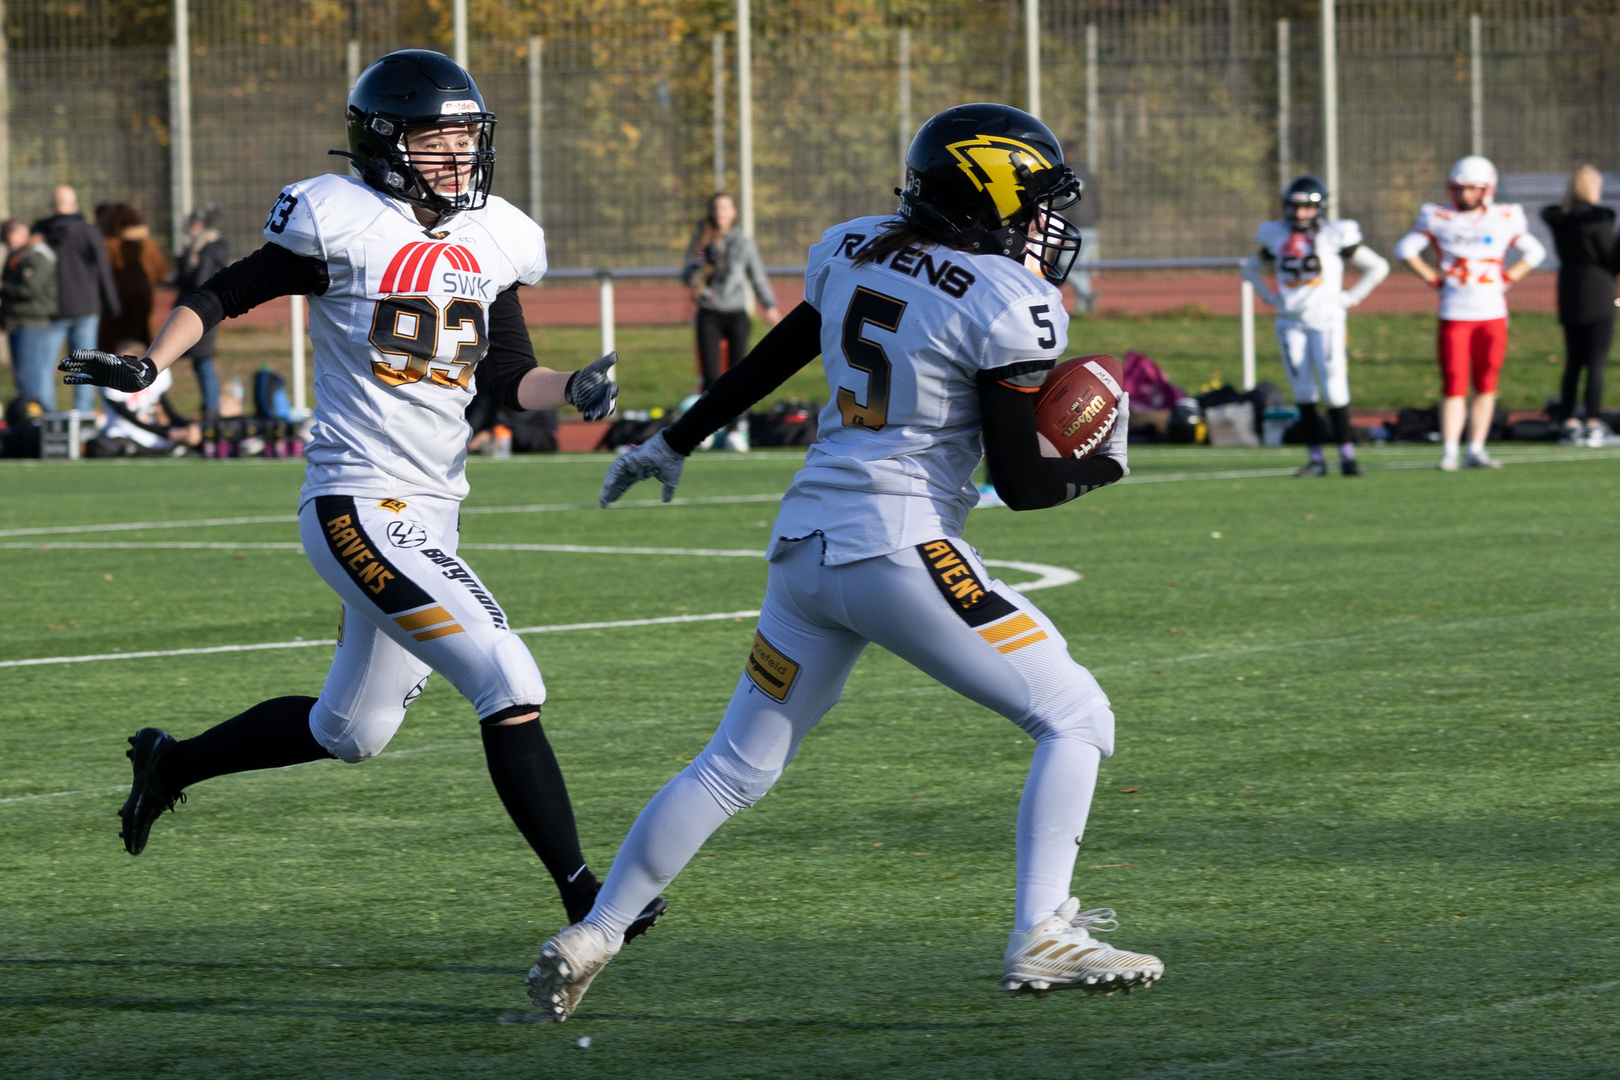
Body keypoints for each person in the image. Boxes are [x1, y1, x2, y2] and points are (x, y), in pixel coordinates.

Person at [526, 103, 1162, 1022]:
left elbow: (781, 352)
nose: (1045, 224)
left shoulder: (855, 245)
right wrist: (1099, 465)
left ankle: (598, 929)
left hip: (806, 551)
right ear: (988, 195)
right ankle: (1042, 932)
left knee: (733, 765)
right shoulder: (1009, 300)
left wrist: (676, 439)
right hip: (900, 548)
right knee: (1076, 716)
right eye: (1035, 201)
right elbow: (1022, 485)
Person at [60, 50, 663, 945]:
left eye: (467, 136)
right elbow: (227, 290)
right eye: (439, 136)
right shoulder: (342, 223)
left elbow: (506, 374)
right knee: (508, 677)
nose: (459, 154)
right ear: (387, 143)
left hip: (433, 507)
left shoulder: (495, 235)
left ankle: (170, 762)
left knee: (353, 729)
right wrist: (154, 361)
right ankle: (588, 894)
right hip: (357, 502)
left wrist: (572, 385)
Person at [1393, 156, 1546, 470]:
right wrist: (1433, 278)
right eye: (1459, 189)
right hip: (1455, 311)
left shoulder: (1505, 216)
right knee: (1454, 383)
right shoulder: (1438, 216)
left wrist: (1507, 278)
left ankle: (1476, 447)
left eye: (1471, 189)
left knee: (1487, 383)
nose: (1464, 196)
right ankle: (1449, 449)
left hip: (1492, 312)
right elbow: (1405, 249)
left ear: (1486, 189)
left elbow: (1535, 251)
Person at [1242, 175, 1389, 476]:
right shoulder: (1276, 235)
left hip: (1327, 319)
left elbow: (1378, 266)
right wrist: (1270, 296)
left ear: (1319, 208)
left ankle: (1347, 456)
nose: (1299, 215)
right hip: (1290, 322)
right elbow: (1251, 268)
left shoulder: (1335, 234)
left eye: (1306, 209)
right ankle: (1316, 459)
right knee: (1303, 392)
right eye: (1294, 208)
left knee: (1335, 388)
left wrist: (1351, 297)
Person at [681, 193, 780, 451]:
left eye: (725, 208)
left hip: (736, 313)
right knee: (711, 375)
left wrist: (769, 306)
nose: (721, 213)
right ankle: (707, 428)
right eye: (716, 208)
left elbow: (757, 276)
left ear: (733, 212)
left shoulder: (744, 243)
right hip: (709, 312)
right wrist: (703, 264)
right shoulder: (701, 240)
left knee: (738, 374)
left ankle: (736, 429)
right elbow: (686, 276)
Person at [1541, 165, 1619, 447]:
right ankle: (1594, 421)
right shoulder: (1600, 220)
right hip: (1598, 290)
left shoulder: (1561, 218)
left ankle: (1569, 419)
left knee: (1574, 361)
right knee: (1595, 361)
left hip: (1570, 290)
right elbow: (1610, 258)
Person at [35, 184, 121, 413]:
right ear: (74, 205)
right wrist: (114, 305)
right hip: (86, 307)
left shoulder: (40, 232)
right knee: (84, 366)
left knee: (44, 367)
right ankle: (83, 417)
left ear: (52, 207)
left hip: (52, 309)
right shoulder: (88, 231)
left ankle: (46, 418)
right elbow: (103, 268)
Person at [172, 205, 231, 415]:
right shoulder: (197, 248)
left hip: (203, 310)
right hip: (201, 309)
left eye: (193, 222)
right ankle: (210, 407)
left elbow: (200, 281)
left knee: (203, 360)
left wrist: (181, 278)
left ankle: (211, 410)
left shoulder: (206, 250)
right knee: (201, 362)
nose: (189, 227)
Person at [1, 219, 58, 410]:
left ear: (20, 234)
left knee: (30, 379)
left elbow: (30, 289)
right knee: (24, 378)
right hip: (18, 322)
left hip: (31, 323)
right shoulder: (18, 256)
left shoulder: (37, 256)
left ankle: (35, 421)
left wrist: (3, 288)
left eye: (8, 238)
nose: (8, 245)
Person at [97, 204, 169, 355]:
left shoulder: (108, 244)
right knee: (142, 354)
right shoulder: (150, 244)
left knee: (111, 356)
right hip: (143, 304)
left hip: (114, 306)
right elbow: (161, 272)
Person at [1069, 160, 1101, 315]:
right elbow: (1098, 203)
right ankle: (1082, 310)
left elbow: (1065, 203)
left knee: (1065, 266)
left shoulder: (1067, 174)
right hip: (1091, 227)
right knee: (1081, 268)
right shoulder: (1090, 175)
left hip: (1075, 227)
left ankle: (1087, 295)